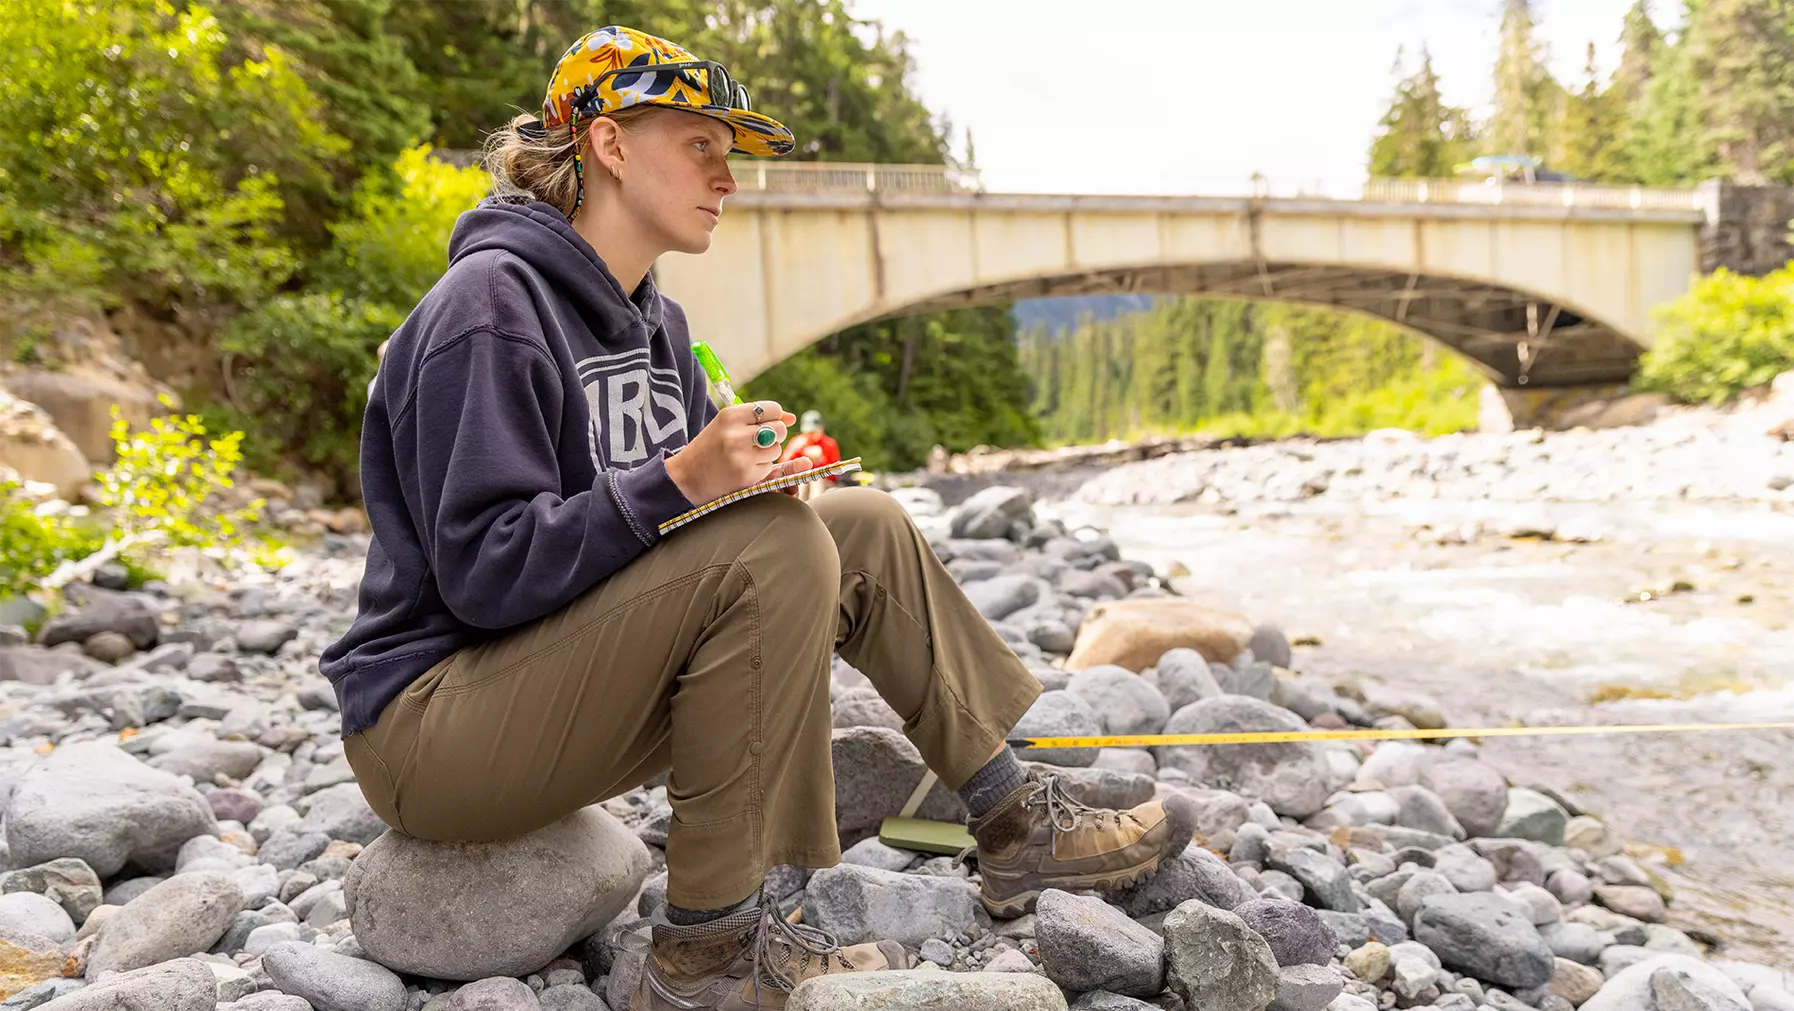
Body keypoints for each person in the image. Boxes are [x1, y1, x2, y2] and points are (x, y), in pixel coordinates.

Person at [319, 26, 1194, 1011]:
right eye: (701, 143)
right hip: (431, 729)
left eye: (728, 152)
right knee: (776, 546)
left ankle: (1012, 822)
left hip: (552, 681)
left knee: (853, 524)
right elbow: (485, 576)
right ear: (609, 142)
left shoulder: (661, 324)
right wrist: (685, 486)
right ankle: (710, 955)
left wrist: (743, 491)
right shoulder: (488, 306)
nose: (727, 175)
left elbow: (691, 543)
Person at [779, 410, 840, 501]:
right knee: (804, 482)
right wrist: (798, 451)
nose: (810, 435)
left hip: (823, 483)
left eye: (814, 432)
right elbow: (782, 466)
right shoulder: (798, 442)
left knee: (816, 481)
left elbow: (835, 474)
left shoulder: (829, 444)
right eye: (808, 432)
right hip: (801, 481)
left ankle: (816, 509)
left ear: (821, 428)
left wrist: (820, 460)